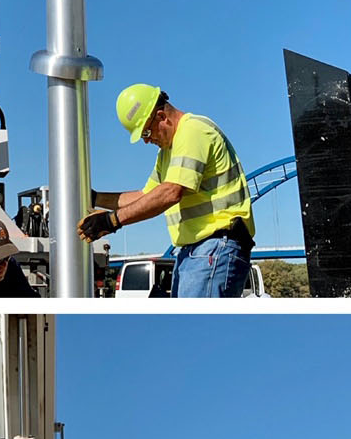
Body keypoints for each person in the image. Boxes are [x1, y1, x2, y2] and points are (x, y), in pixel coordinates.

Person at [81, 86, 253, 297]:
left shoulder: (193, 132)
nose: (146, 140)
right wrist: (95, 198)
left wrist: (112, 221)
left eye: (146, 132)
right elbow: (146, 197)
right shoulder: (167, 153)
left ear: (161, 116)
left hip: (215, 246)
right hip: (197, 251)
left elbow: (171, 192)